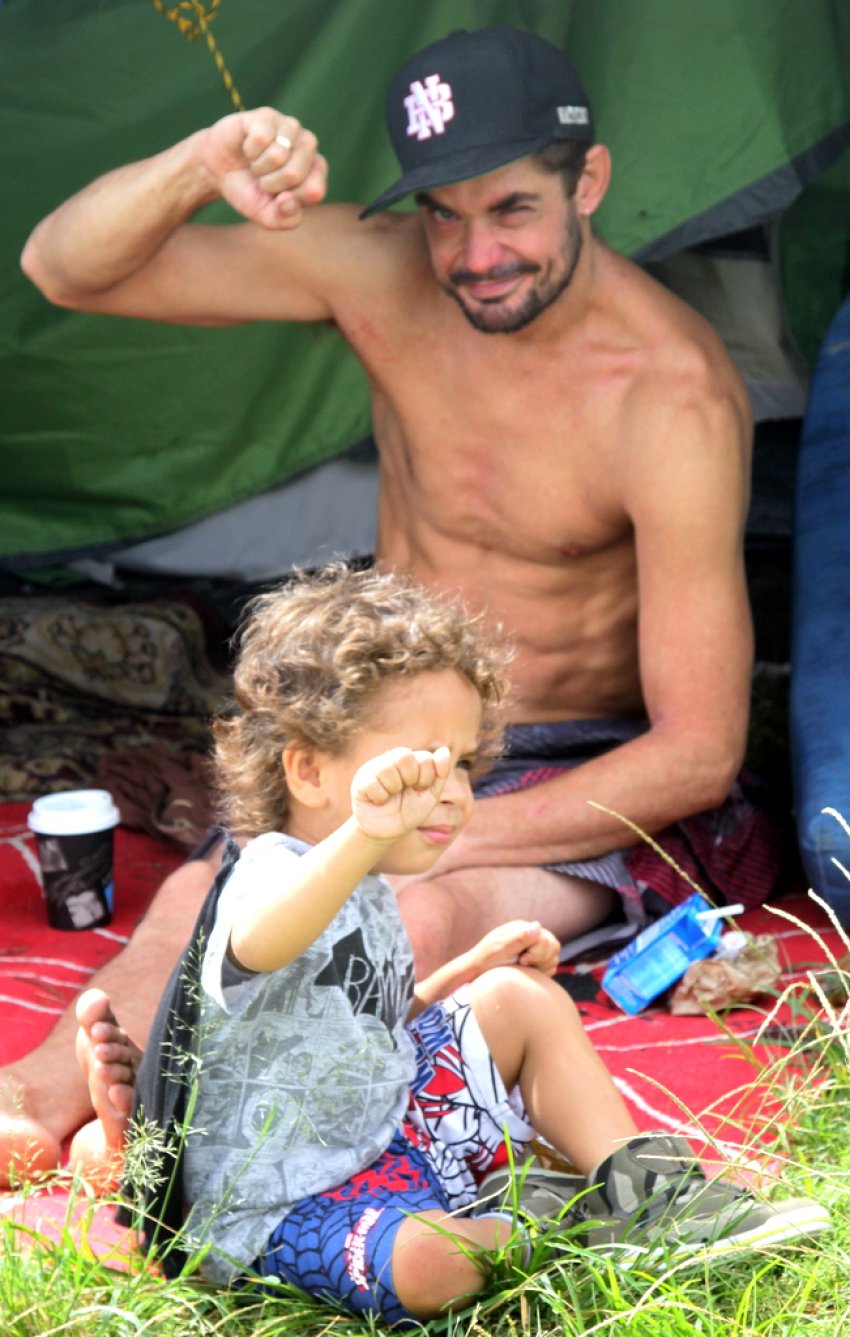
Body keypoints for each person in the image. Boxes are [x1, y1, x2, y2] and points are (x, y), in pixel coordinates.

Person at [5, 26, 782, 1182]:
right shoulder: (381, 271)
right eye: (445, 214)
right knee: (195, 897)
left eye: (512, 209)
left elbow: (697, 752)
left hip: (565, 773)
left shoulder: (669, 398)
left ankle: (190, 1157)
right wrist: (201, 161)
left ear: (591, 183)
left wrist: (424, 837)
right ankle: (35, 1098)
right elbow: (63, 266)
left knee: (402, 920)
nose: (475, 254)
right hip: (387, 736)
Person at [85, 565, 828, 1321]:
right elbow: (258, 942)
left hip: (387, 1136)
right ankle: (558, 1225)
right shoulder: (272, 871)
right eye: (419, 763)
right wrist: (360, 835)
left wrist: (471, 973)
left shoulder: (371, 888)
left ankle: (653, 1199)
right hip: (281, 1207)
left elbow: (366, 1032)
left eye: (464, 763)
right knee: (438, 1262)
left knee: (516, 998)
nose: (451, 790)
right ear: (308, 768)